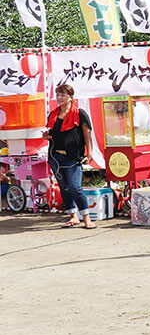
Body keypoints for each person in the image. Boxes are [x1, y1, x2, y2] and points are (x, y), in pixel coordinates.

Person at [43, 84, 94, 229]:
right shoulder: (53, 114)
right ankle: (73, 216)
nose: (59, 98)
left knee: (75, 187)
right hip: (55, 157)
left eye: (63, 95)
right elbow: (52, 133)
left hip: (72, 157)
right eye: (58, 94)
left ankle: (87, 218)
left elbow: (87, 135)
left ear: (71, 97)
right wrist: (47, 136)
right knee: (64, 187)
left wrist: (89, 154)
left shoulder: (79, 113)